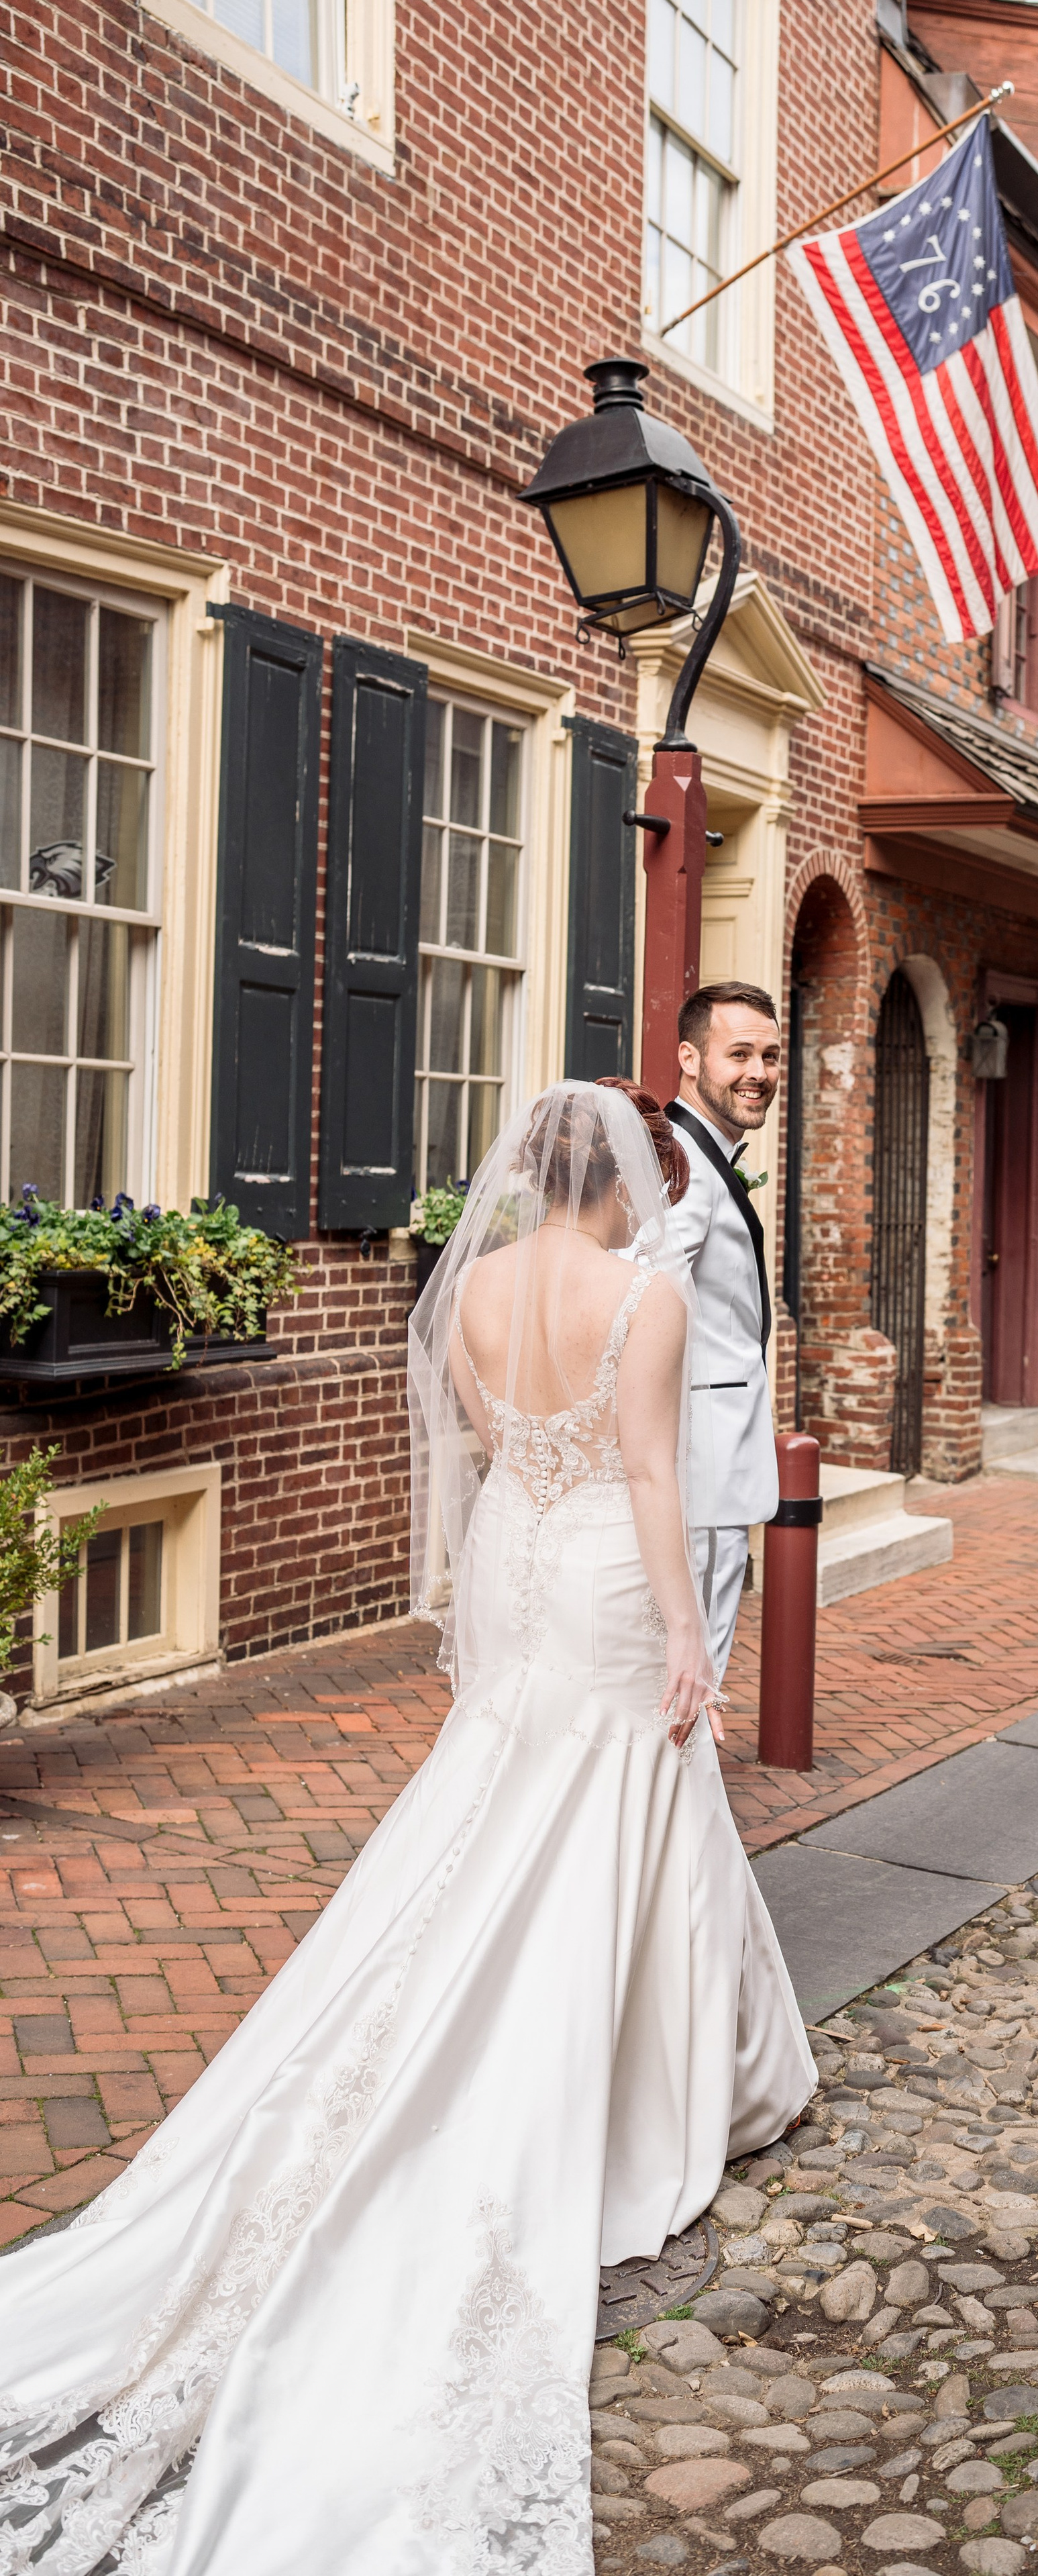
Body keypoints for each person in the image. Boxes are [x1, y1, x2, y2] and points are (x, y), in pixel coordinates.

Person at [0, 1079, 815, 2573]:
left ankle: (631, 2046)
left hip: (509, 1561)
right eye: (638, 1173)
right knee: (604, 1802)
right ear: (618, 1181)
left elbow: (491, 1454)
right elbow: (650, 1475)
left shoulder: (475, 1289)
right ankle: (647, 2081)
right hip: (597, 1576)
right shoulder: (642, 1298)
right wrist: (693, 1635)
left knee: (500, 1796)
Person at [664, 981, 783, 1679]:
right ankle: (678, 1784)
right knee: (698, 1651)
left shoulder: (703, 1155)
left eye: (769, 1056)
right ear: (689, 1057)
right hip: (697, 1455)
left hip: (708, 1447)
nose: (758, 1074)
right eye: (738, 1054)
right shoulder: (684, 1166)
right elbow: (644, 1304)